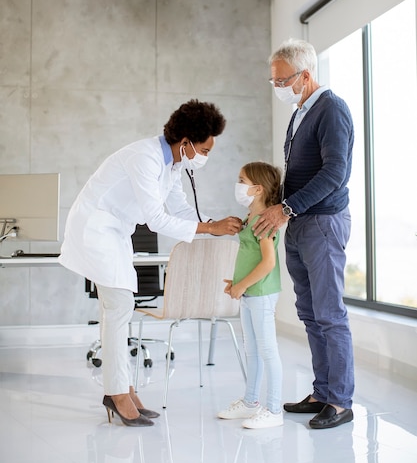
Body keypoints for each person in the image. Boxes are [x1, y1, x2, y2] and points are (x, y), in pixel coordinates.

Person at [59, 99, 242, 427]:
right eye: (204, 149)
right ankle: (117, 393)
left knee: (118, 308)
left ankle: (123, 388)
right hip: (96, 227)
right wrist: (206, 228)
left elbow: (181, 209)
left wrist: (213, 226)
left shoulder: (172, 164)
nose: (206, 156)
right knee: (119, 305)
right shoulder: (144, 157)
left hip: (115, 232)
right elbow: (156, 219)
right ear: (185, 142)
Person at [253, 38, 355, 429]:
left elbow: (335, 173)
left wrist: (288, 208)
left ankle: (340, 401)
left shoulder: (332, 109)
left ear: (305, 75)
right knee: (310, 313)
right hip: (297, 224)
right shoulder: (301, 113)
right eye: (273, 81)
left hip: (323, 224)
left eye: (282, 81)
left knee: (330, 314)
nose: (277, 87)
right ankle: (322, 391)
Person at [217, 161, 283, 429]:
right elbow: (251, 257)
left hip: (261, 294)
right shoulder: (250, 219)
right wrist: (238, 282)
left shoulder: (262, 220)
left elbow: (269, 262)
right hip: (250, 293)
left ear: (257, 189)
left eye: (241, 180)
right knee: (252, 350)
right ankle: (250, 402)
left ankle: (274, 409)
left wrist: (242, 286)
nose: (238, 185)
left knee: (267, 350)